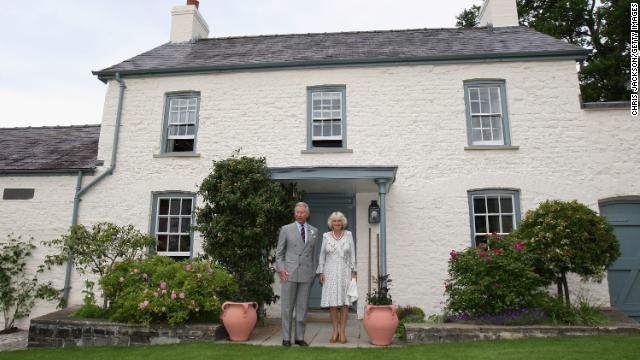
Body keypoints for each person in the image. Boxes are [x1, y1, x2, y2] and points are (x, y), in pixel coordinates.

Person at [276, 202, 319, 347]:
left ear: (307, 214)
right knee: (287, 307)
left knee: (302, 307)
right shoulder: (286, 229)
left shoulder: (314, 231)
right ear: (294, 214)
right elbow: (279, 253)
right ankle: (286, 338)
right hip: (290, 273)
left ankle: (299, 337)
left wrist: (313, 272)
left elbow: (314, 255)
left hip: (306, 274)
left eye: (302, 212)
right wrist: (282, 269)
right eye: (297, 212)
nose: (299, 215)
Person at [317, 211, 357, 344]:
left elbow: (352, 254)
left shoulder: (349, 235)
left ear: (343, 222)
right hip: (330, 272)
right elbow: (322, 255)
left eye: (339, 221)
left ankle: (343, 332)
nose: (337, 223)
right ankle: (335, 331)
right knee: (333, 304)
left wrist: (354, 271)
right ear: (331, 223)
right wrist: (321, 272)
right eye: (334, 221)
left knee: (345, 304)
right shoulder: (326, 236)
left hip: (345, 272)